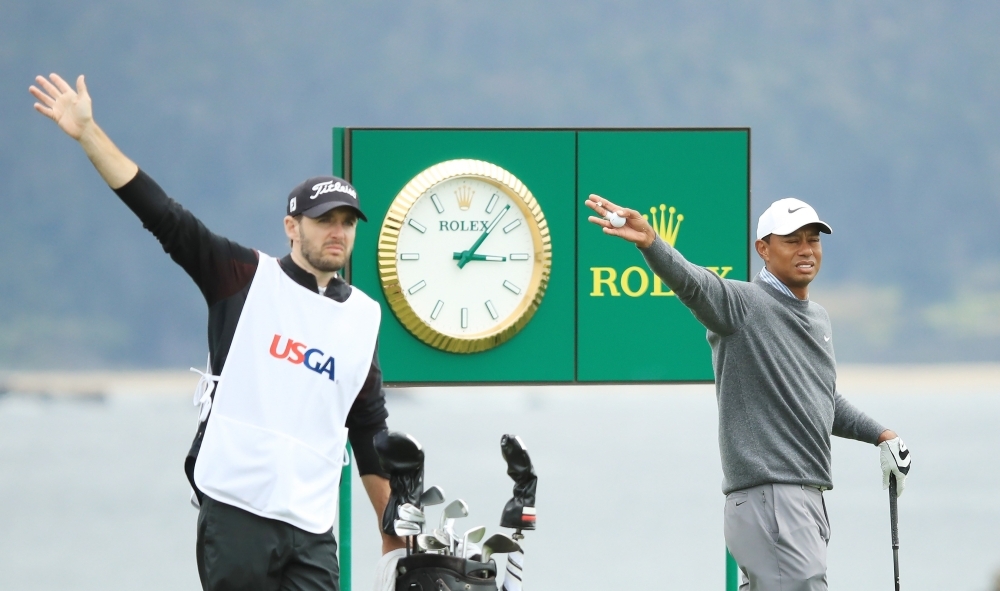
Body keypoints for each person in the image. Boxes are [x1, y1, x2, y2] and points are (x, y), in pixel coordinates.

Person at [30, 73, 404, 590]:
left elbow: (368, 428)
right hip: (236, 507)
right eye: (324, 220)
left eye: (347, 221)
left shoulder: (362, 315)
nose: (337, 232)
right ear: (292, 227)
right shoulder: (245, 277)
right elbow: (164, 216)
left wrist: (391, 530)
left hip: (312, 524)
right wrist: (88, 133)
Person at [586, 194, 912, 591]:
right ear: (764, 249)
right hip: (770, 498)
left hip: (805, 499)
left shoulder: (818, 317)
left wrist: (882, 435)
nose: (806, 250)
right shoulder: (742, 304)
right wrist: (652, 243)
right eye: (792, 241)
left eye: (813, 239)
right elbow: (693, 283)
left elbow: (821, 399)